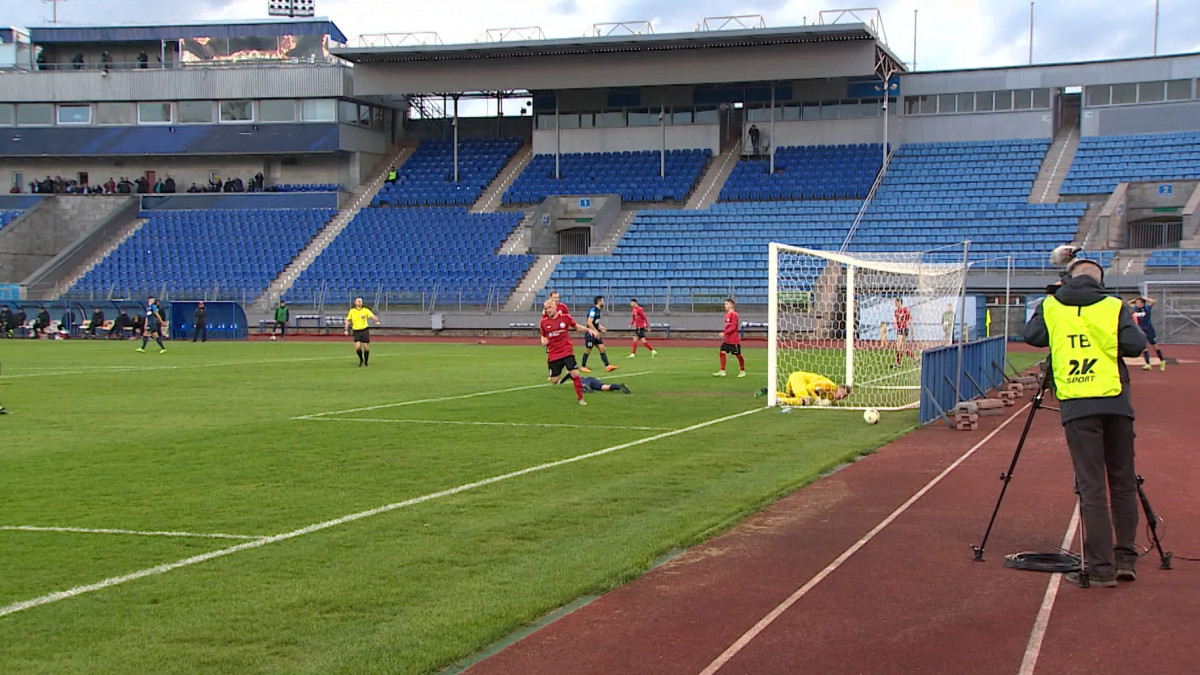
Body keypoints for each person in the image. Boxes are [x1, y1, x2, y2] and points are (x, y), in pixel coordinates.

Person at [1024, 257, 1147, 588]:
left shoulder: (1052, 306)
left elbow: (1032, 336)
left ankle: (1101, 569)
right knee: (1122, 481)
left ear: (1067, 279)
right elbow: (1136, 345)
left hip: (1078, 405)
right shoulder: (1113, 305)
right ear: (1100, 281)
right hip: (1115, 401)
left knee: (1092, 487)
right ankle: (1125, 559)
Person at [540, 298, 599, 405]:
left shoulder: (565, 318)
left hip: (567, 351)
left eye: (550, 307)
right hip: (554, 354)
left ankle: (580, 399)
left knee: (575, 373)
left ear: (555, 307)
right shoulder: (544, 322)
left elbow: (576, 327)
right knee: (554, 380)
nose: (548, 310)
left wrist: (589, 329)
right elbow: (543, 337)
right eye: (546, 308)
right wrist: (544, 341)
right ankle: (563, 373)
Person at [759, 371, 851, 406]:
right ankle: (778, 400)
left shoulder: (832, 397)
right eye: (842, 393)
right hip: (799, 378)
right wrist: (817, 399)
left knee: (792, 398)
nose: (841, 396)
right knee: (805, 401)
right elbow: (809, 387)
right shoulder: (829, 386)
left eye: (844, 396)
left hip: (796, 378)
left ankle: (770, 392)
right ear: (838, 388)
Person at [580, 296, 617, 373]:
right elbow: (589, 323)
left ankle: (607, 366)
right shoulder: (593, 311)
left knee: (602, 348)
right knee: (588, 350)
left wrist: (600, 327)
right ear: (599, 301)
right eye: (602, 301)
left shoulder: (598, 311)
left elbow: (595, 322)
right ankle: (583, 366)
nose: (603, 302)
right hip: (590, 334)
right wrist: (595, 331)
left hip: (595, 334)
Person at [1128, 297, 1165, 371]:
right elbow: (1129, 303)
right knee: (1144, 347)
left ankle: (1162, 361)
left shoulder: (1147, 308)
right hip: (1141, 330)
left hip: (1149, 330)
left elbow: (1153, 301)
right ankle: (1148, 364)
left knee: (1154, 346)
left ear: (1142, 303)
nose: (1137, 304)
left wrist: (1144, 298)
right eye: (1136, 303)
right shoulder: (1136, 309)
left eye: (1139, 303)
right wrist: (1135, 299)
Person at [344, 297, 380, 366]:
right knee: (357, 347)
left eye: (361, 301)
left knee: (365, 346)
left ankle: (366, 362)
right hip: (356, 330)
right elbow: (348, 320)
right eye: (358, 301)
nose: (360, 302)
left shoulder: (365, 310)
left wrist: (376, 320)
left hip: (364, 330)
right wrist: (346, 329)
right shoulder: (352, 311)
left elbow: (372, 316)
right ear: (355, 303)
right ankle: (361, 359)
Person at [714, 298, 745, 377]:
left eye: (727, 304)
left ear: (731, 305)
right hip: (727, 340)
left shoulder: (734, 314)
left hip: (733, 340)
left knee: (738, 355)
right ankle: (722, 370)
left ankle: (742, 370)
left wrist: (725, 333)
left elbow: (734, 327)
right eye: (725, 304)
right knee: (722, 352)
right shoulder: (727, 315)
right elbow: (728, 326)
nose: (725, 306)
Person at [892, 298, 915, 366]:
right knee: (903, 348)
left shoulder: (905, 310)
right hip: (899, 329)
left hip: (904, 328)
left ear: (899, 302)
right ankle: (914, 358)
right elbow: (895, 319)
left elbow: (910, 320)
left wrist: (912, 332)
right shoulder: (896, 311)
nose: (895, 304)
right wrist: (895, 324)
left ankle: (898, 363)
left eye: (895, 302)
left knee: (898, 345)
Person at [558, 373, 631, 394]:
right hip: (593, 379)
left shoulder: (577, 379)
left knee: (583, 384)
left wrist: (561, 382)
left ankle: (586, 388)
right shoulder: (577, 376)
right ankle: (619, 386)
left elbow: (568, 375)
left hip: (586, 380)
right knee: (604, 387)